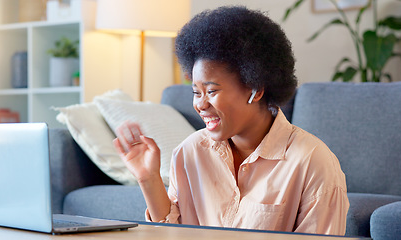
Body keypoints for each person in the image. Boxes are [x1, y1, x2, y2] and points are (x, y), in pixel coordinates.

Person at [113, 6, 349, 235]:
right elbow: (171, 233)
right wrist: (148, 178)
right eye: (196, 92)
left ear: (255, 90)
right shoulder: (189, 153)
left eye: (212, 91)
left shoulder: (313, 162)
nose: (200, 105)